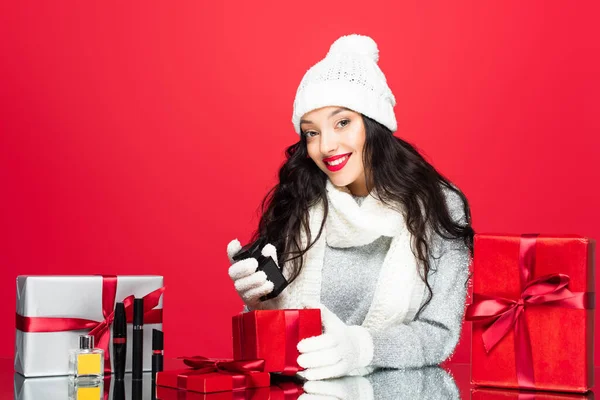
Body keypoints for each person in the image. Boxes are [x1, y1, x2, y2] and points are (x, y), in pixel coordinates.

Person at [226, 34, 474, 381]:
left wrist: (361, 348)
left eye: (342, 123)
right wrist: (261, 306)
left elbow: (439, 334)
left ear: (375, 125)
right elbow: (278, 351)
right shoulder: (300, 199)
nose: (326, 146)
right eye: (311, 133)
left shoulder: (438, 205)